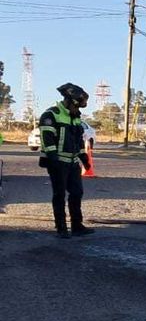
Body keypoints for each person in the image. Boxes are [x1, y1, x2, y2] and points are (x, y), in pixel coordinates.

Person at [38, 83, 93, 239]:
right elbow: (46, 138)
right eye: (77, 106)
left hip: (73, 163)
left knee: (77, 193)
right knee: (59, 194)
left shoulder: (75, 118)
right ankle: (61, 227)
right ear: (69, 101)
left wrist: (84, 157)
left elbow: (78, 140)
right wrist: (53, 157)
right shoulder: (51, 115)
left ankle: (77, 225)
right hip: (58, 163)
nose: (78, 110)